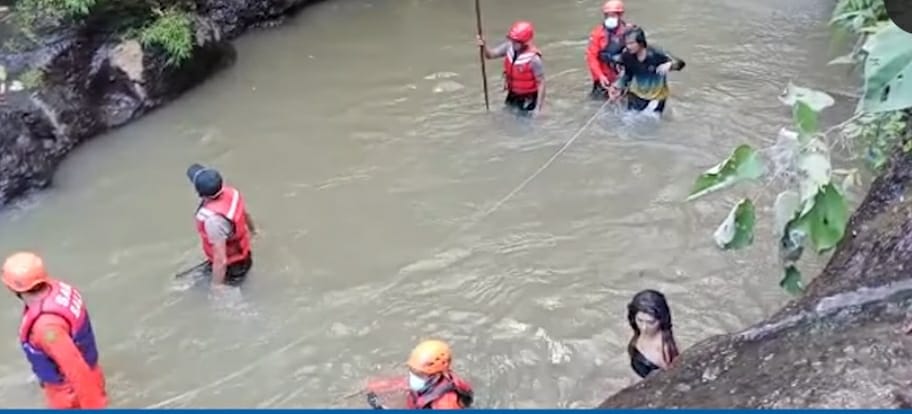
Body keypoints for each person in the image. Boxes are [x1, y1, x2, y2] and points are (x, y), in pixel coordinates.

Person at [2, 252, 107, 409]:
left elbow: (77, 371)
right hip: (92, 373)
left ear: (13, 288)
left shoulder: (47, 329)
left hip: (70, 396)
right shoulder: (59, 289)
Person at [186, 163, 257, 287]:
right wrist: (254, 231)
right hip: (241, 257)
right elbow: (245, 214)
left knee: (217, 296)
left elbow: (221, 260)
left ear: (200, 194)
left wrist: (217, 288)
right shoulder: (233, 193)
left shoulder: (213, 221)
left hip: (233, 268)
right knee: (186, 281)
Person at [366, 339, 474, 409]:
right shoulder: (424, 380)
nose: (413, 377)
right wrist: (370, 387)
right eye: (412, 371)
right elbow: (400, 383)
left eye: (419, 374)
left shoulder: (445, 403)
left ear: (435, 375)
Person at [609, 28, 685, 114]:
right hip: (636, 94)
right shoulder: (627, 56)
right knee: (629, 120)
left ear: (641, 43)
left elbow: (680, 64)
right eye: (626, 44)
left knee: (651, 121)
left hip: (656, 97)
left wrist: (670, 65)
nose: (628, 46)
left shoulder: (657, 53)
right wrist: (617, 87)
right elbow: (628, 75)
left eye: (631, 43)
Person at [477, 21, 546, 115]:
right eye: (512, 40)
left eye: (516, 42)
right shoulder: (508, 47)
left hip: (528, 98)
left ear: (524, 42)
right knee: (506, 116)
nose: (513, 43)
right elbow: (490, 55)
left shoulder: (534, 59)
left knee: (524, 122)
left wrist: (538, 109)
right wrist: (484, 46)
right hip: (513, 94)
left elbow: (541, 83)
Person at [585, 0, 638, 99]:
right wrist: (600, 76)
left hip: (623, 75)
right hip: (604, 77)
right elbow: (591, 58)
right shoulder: (597, 33)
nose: (610, 18)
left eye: (613, 15)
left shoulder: (630, 31)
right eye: (608, 15)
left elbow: (638, 52)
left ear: (620, 15)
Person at [626, 289, 680, 379]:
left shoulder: (665, 350)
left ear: (661, 320)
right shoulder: (637, 330)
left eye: (650, 322)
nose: (644, 327)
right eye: (640, 320)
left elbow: (671, 379)